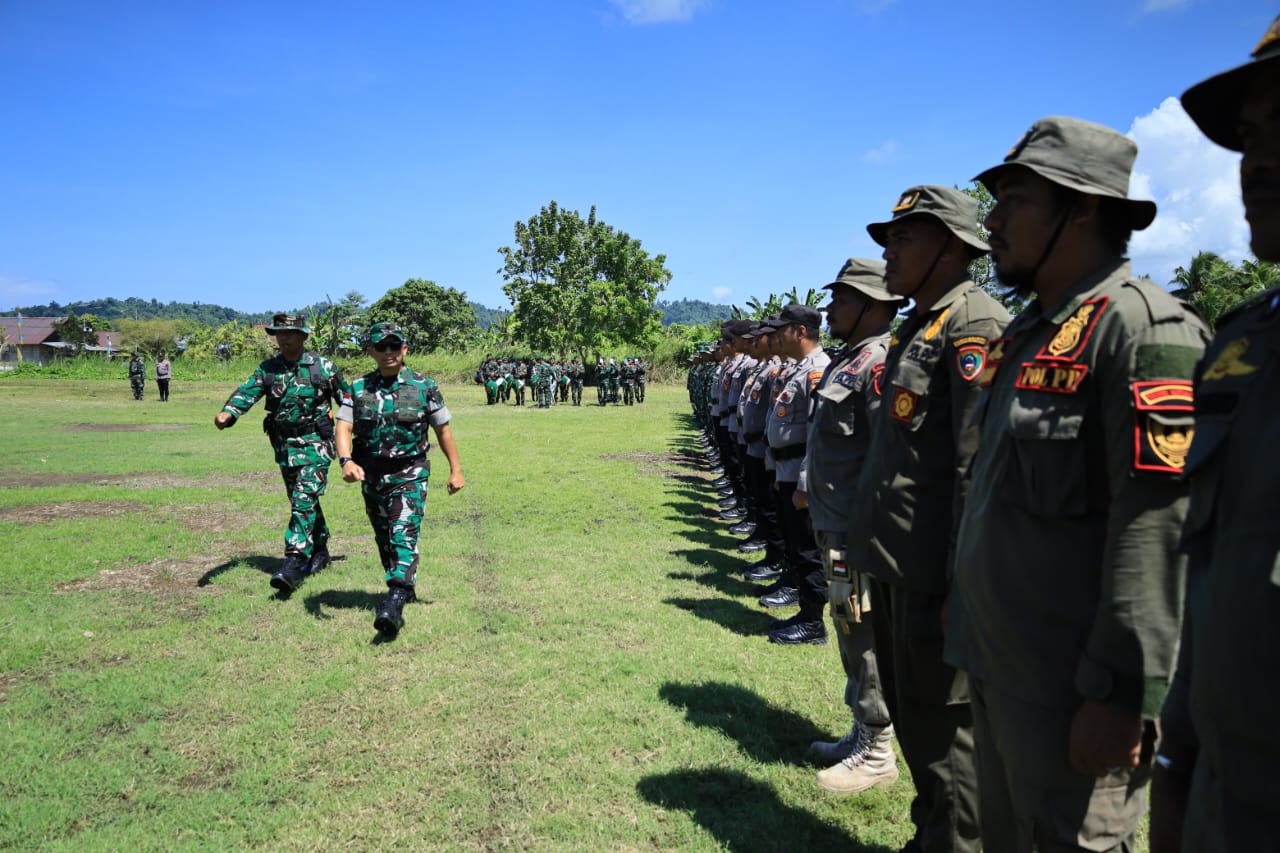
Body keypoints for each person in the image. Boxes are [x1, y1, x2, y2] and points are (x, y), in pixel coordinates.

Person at [944, 117, 1209, 852]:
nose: (992, 219)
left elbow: (1156, 528)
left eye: (1015, 201)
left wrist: (1121, 694)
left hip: (1073, 695)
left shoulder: (1142, 329)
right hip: (1001, 668)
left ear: (1082, 210)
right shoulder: (1027, 333)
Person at [1151, 19, 1280, 853]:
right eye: (1251, 135)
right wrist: (1176, 767)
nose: (1257, 162)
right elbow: (1212, 573)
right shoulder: (1244, 346)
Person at [849, 185, 1010, 852]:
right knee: (918, 727)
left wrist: (962, 589)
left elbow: (976, 471)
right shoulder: (922, 323)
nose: (887, 252)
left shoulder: (975, 325)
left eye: (903, 238)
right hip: (897, 568)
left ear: (949, 247)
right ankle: (933, 838)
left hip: (936, 581)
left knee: (949, 744)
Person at [803, 258, 903, 794]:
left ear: (871, 305)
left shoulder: (880, 364)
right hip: (834, 528)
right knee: (848, 628)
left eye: (842, 298)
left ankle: (877, 751)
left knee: (861, 633)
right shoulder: (850, 361)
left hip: (855, 535)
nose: (831, 308)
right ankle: (861, 730)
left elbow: (887, 456)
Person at [335, 322, 464, 635]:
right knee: (384, 536)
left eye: (395, 346)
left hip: (410, 471)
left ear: (405, 349)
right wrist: (346, 460)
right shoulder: (358, 388)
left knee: (403, 530)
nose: (388, 352)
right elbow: (343, 426)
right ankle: (405, 587)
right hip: (372, 473)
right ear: (371, 351)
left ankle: (394, 598)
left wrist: (456, 469)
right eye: (381, 347)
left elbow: (442, 429)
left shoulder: (423, 385)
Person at [214, 313, 347, 594]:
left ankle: (294, 559)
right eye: (279, 333)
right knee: (303, 500)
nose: (283, 338)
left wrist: (358, 431)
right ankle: (320, 551)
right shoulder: (269, 369)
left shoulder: (323, 367)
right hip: (285, 447)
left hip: (316, 445)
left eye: (290, 333)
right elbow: (247, 392)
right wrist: (229, 412)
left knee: (303, 497)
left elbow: (348, 401)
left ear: (303, 336)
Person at [762, 304, 830, 645]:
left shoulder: (817, 371)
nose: (777, 336)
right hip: (787, 469)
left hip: (802, 474)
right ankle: (805, 611)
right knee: (795, 543)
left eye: (783, 329)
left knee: (806, 548)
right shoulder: (800, 369)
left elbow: (816, 433)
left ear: (800, 332)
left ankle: (814, 621)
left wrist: (803, 484)